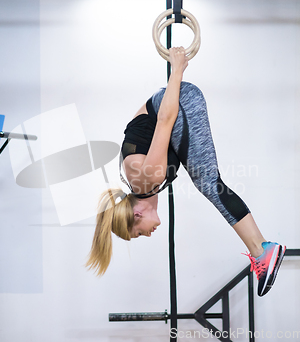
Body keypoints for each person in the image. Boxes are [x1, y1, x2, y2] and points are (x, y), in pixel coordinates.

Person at [86, 47, 285, 297]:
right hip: (172, 102)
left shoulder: (146, 178)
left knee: (210, 185)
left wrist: (176, 69)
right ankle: (262, 250)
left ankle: (262, 250)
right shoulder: (144, 183)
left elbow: (166, 119)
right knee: (206, 182)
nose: (147, 235)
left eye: (138, 233)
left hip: (179, 100)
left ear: (137, 213)